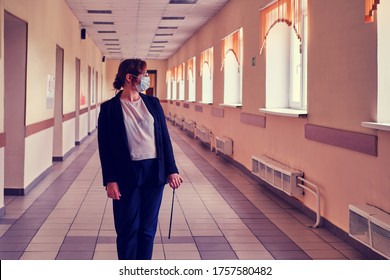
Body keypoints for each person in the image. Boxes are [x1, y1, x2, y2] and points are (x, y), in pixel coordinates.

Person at [97, 58, 183, 260]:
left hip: (154, 172)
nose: (146, 79)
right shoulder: (109, 109)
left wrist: (172, 170)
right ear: (130, 77)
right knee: (128, 229)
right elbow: (105, 148)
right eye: (144, 75)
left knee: (147, 229)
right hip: (126, 173)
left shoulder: (152, 103)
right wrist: (110, 180)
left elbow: (164, 138)